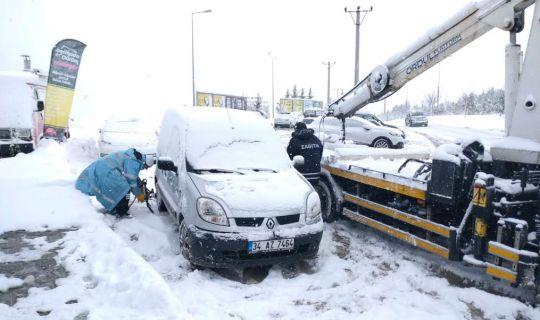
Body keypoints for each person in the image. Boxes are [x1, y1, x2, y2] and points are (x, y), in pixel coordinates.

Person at [75, 148, 155, 217]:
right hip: (107, 172)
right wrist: (140, 196)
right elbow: (132, 182)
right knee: (124, 190)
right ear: (144, 163)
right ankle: (121, 210)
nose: (146, 169)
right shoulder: (134, 162)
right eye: (146, 167)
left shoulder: (135, 157)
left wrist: (140, 184)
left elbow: (133, 177)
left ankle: (118, 207)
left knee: (123, 188)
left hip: (104, 168)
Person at [287, 122, 323, 186]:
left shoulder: (294, 140)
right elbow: (320, 153)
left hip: (301, 176)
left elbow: (290, 156)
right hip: (316, 174)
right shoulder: (315, 138)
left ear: (296, 129)